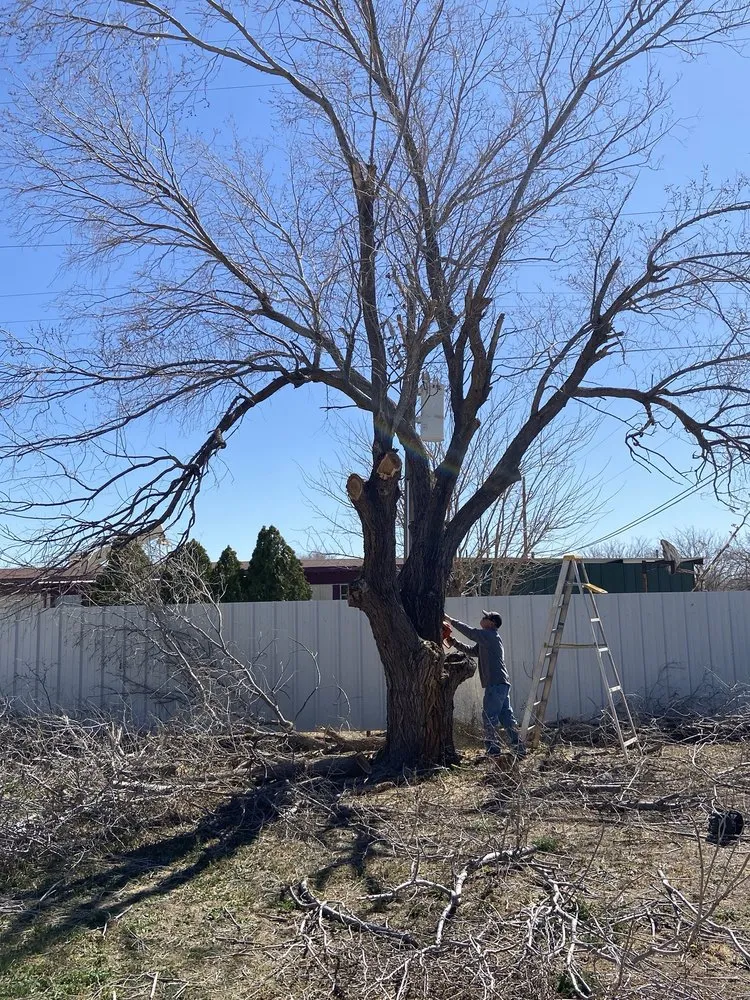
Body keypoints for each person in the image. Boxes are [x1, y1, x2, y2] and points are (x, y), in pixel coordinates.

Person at [444, 611, 526, 758]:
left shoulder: (489, 635)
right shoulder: (487, 639)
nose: (482, 618)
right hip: (501, 683)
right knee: (506, 717)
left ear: (492, 623)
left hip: (495, 684)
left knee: (489, 717)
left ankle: (493, 750)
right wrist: (454, 643)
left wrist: (450, 620)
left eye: (485, 617)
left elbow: (470, 633)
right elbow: (473, 651)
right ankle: (519, 748)